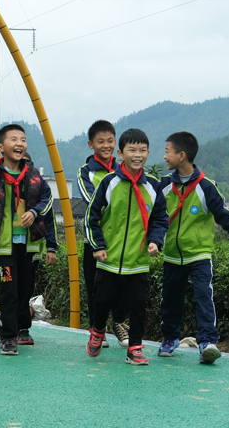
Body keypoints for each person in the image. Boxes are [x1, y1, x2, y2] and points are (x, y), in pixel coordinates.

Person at [158, 131, 229, 364]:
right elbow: (151, 216)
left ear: (182, 155)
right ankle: (170, 338)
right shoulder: (163, 186)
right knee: (170, 299)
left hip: (199, 255)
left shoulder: (206, 186)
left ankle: (207, 342)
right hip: (171, 255)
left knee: (203, 296)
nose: (164, 157)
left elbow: (224, 215)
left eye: (167, 151)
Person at [86, 128, 169, 365]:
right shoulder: (109, 183)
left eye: (142, 150)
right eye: (132, 150)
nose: (137, 155)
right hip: (108, 260)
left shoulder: (153, 186)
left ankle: (134, 348)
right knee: (101, 301)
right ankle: (98, 330)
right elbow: (91, 217)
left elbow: (161, 219)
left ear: (148, 153)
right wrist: (98, 246)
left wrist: (155, 241)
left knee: (137, 306)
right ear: (121, 153)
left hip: (138, 261)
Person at [0, 124, 57, 356]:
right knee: (8, 288)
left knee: (25, 288)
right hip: (2, 246)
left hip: (29, 244)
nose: (19, 143)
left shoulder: (33, 174)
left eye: (23, 139)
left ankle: (22, 328)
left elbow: (47, 200)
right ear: (1, 147)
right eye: (13, 139)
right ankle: (8, 336)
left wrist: (35, 212)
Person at [76, 120, 129, 348]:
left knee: (122, 285)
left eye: (110, 141)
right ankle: (97, 330)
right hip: (95, 240)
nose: (106, 146)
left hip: (121, 240)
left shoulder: (125, 169)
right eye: (100, 141)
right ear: (91, 144)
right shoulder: (85, 172)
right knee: (95, 287)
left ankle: (119, 323)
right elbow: (93, 202)